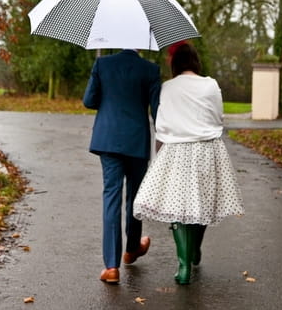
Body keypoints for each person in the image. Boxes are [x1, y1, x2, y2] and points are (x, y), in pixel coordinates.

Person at [133, 41, 244, 285]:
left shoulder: (167, 88)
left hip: (176, 152)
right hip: (207, 150)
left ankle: (183, 265)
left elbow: (161, 125)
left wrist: (158, 152)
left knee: (178, 207)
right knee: (202, 203)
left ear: (174, 63)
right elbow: (218, 117)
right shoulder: (211, 85)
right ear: (195, 61)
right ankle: (194, 250)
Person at [83, 49, 161, 284]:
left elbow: (89, 101)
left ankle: (111, 266)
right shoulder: (150, 70)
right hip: (136, 141)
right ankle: (132, 249)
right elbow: (158, 112)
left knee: (112, 196)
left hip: (108, 140)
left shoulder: (102, 65)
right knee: (135, 197)